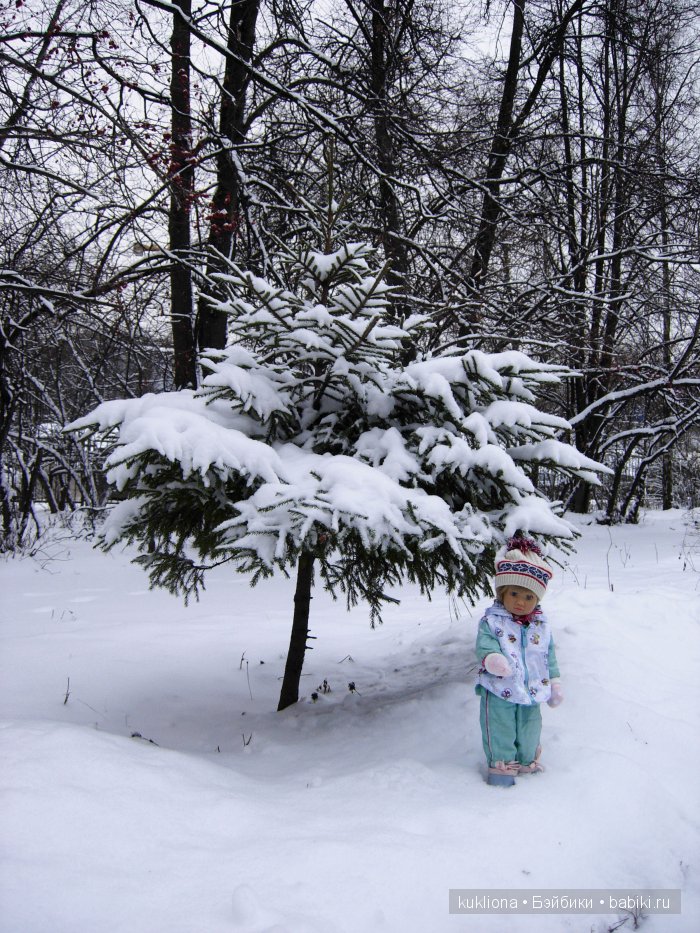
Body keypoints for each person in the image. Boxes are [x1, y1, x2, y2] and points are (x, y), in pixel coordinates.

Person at [475, 537, 564, 786]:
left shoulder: (541, 625)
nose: (520, 601)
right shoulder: (492, 621)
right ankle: (502, 767)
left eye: (528, 596)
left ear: (537, 599)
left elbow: (549, 655)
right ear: (502, 592)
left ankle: (526, 761)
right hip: (499, 689)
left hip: (532, 688)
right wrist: (492, 658)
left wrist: (554, 682)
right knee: (500, 727)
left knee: (530, 726)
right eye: (514, 593)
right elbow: (484, 644)